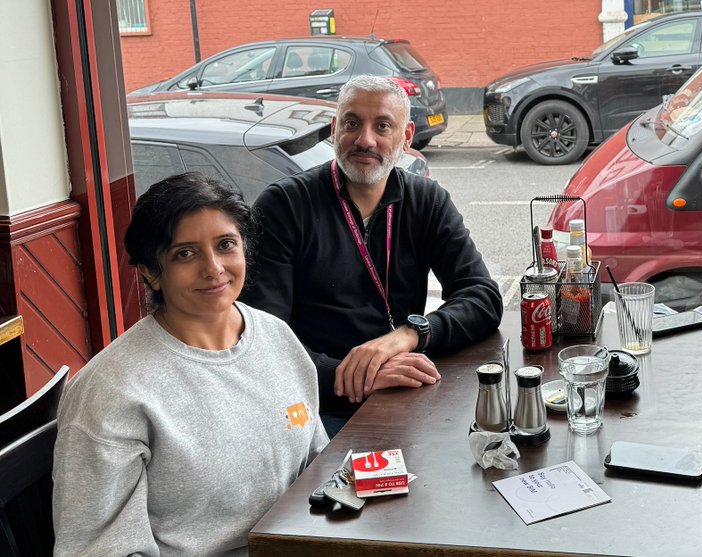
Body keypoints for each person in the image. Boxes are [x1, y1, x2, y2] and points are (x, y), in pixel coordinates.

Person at [53, 173, 327, 556]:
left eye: (226, 245)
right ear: (150, 271)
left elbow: (319, 471)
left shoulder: (275, 336)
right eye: (185, 253)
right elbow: (98, 549)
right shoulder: (111, 391)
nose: (213, 268)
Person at [243, 75, 503, 435]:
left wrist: (410, 335)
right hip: (317, 403)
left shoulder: (427, 201)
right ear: (335, 130)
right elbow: (264, 340)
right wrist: (356, 375)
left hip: (400, 385)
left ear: (407, 137)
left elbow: (483, 297)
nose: (365, 140)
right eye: (352, 123)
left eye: (382, 125)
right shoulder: (285, 206)